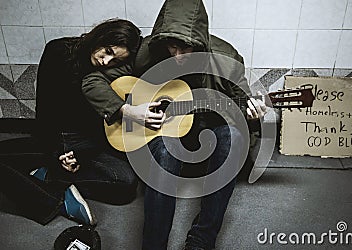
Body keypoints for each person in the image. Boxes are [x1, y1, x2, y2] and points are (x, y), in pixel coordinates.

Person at [82, 1, 268, 249]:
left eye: (187, 48)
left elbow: (243, 104)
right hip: (165, 136)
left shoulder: (225, 59)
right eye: (173, 46)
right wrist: (128, 110)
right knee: (165, 151)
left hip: (208, 135)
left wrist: (254, 114)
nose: (178, 56)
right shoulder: (147, 52)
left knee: (234, 136)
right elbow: (92, 81)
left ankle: (201, 240)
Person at [0, 18, 142, 226]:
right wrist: (57, 154)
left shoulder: (110, 71)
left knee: (126, 183)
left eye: (115, 61)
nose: (105, 62)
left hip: (93, 140)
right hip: (61, 136)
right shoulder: (58, 51)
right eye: (108, 51)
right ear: (101, 36)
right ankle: (55, 197)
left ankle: (48, 175)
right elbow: (45, 109)